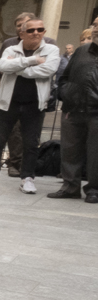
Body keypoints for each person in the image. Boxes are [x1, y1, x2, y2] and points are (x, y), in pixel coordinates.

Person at [0, 17, 60, 195]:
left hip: (34, 104)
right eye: (31, 30)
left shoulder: (51, 49)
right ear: (22, 33)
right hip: (8, 103)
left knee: (31, 143)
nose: (36, 33)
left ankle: (27, 177)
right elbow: (2, 66)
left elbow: (49, 70)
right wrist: (31, 61)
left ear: (44, 32)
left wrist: (17, 68)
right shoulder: (11, 48)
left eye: (40, 29)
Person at [52, 14, 98, 202]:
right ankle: (70, 187)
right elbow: (64, 77)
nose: (95, 28)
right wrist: (65, 93)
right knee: (70, 150)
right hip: (73, 109)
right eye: (94, 24)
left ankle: (94, 189)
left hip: (96, 113)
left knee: (96, 153)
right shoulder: (81, 51)